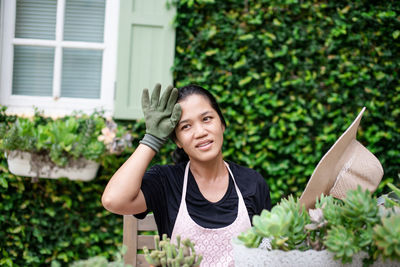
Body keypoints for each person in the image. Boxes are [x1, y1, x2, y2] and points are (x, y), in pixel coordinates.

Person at [102, 83, 271, 266]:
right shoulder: (166, 181)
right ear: (177, 141)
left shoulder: (252, 182)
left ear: (222, 124)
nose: (200, 132)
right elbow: (113, 200)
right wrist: (152, 139)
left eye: (207, 119)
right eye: (186, 127)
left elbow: (267, 250)